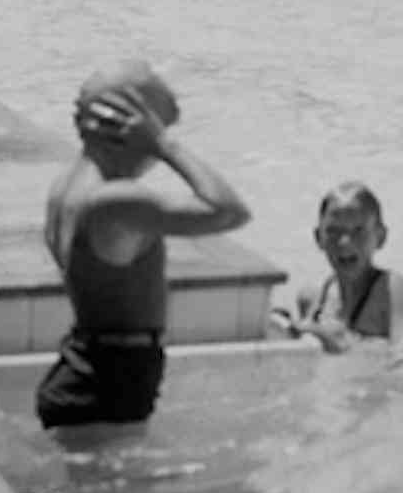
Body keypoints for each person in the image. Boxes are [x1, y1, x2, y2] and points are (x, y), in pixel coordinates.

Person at [36, 63, 253, 430]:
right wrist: (167, 147)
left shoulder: (66, 188)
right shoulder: (113, 201)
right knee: (108, 488)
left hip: (90, 366)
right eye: (156, 130)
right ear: (130, 129)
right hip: (109, 381)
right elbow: (229, 212)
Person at [269, 182, 403, 354]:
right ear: (319, 238)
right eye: (333, 231)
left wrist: (342, 341)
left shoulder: (390, 288)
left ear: (380, 237)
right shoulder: (312, 297)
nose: (345, 243)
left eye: (358, 231)